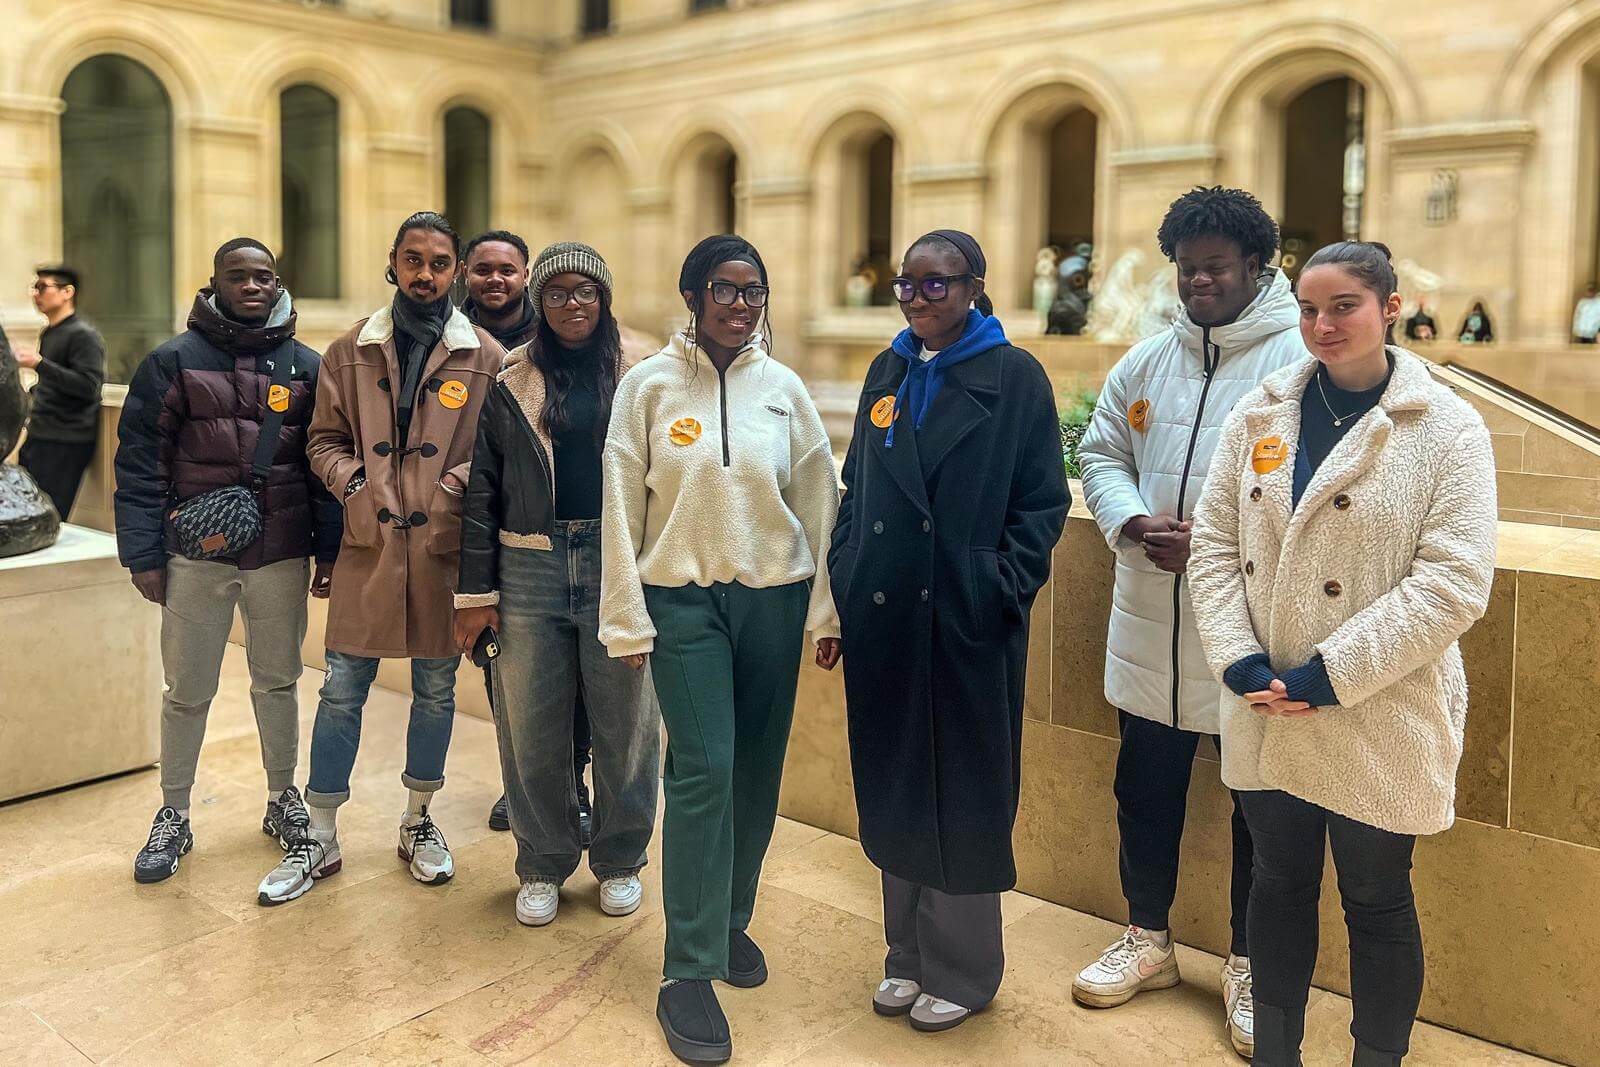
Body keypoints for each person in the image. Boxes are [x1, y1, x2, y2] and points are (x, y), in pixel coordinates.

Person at [1188, 241, 1498, 1066]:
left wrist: (1332, 674)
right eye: (1309, 308)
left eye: (1344, 306)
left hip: (1377, 707)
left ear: (1390, 307)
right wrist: (1240, 659)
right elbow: (1216, 546)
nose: (1323, 325)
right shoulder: (1260, 412)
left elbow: (1455, 580)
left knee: (1377, 899)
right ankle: (1277, 1053)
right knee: (1278, 885)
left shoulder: (1448, 428)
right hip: (1266, 705)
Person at [1074, 186, 1309, 1058]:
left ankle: (1248, 964)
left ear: (1258, 266)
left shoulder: (1297, 366)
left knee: (1257, 808)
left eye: (1217, 265)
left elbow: (1320, 495)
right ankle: (1149, 939)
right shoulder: (1146, 362)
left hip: (1247, 632)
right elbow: (1100, 451)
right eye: (1188, 267)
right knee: (1144, 790)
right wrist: (1132, 521)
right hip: (1146, 627)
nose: (1200, 281)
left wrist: (1210, 542)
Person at [599, 235, 841, 1066]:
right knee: (703, 767)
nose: (740, 304)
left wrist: (827, 610)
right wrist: (626, 620)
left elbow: (819, 497)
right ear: (694, 295)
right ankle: (688, 968)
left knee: (756, 769)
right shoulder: (649, 387)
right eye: (724, 289)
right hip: (682, 600)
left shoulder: (784, 390)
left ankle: (731, 919)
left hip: (773, 602)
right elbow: (621, 506)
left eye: (753, 291)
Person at [831, 230, 1069, 1032]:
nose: (920, 298)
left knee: (962, 793)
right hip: (888, 618)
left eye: (938, 285)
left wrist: (995, 586)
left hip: (965, 620)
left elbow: (1042, 503)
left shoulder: (1015, 376)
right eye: (909, 285)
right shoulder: (888, 368)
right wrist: (848, 568)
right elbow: (856, 482)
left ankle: (964, 970)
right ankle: (908, 955)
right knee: (898, 784)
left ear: (973, 286)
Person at [255, 212, 502, 904]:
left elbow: (491, 454)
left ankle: (419, 821)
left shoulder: (485, 355)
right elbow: (322, 441)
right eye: (414, 260)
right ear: (392, 263)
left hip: (440, 552)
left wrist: (451, 487)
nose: (427, 274)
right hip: (368, 546)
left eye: (440, 262)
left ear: (455, 272)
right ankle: (322, 832)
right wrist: (356, 486)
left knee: (436, 689)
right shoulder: (348, 352)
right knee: (340, 690)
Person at [112, 238, 339, 885]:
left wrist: (327, 550)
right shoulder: (173, 362)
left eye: (262, 276)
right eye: (237, 276)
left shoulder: (305, 366)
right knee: (186, 690)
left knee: (278, 679)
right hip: (196, 558)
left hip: (281, 553)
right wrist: (144, 555)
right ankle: (174, 812)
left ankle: (280, 799)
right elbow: (139, 467)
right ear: (213, 283)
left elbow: (320, 465)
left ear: (277, 283)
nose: (251, 286)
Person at [454, 241, 659, 928]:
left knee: (625, 721)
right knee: (530, 726)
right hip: (529, 563)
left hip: (616, 562)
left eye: (586, 291)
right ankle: (541, 861)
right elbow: (480, 490)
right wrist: (475, 594)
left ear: (604, 297)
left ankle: (620, 857)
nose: (574, 303)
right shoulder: (510, 378)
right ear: (539, 302)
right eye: (558, 292)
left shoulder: (642, 374)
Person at [459, 228, 595, 844]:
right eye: (483, 269)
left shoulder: (623, 372)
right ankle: (531, 795)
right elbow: (485, 476)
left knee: (590, 696)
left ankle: (574, 789)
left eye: (507, 269)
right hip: (509, 548)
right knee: (516, 690)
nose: (495, 280)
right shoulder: (462, 348)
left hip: (592, 553)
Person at [14, 266, 106, 519]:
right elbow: (54, 382)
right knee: (26, 510)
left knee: (49, 516)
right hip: (41, 433)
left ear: (67, 292)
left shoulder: (83, 335)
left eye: (43, 287)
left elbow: (88, 387)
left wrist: (38, 363)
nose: (36, 294)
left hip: (67, 438)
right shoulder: (51, 332)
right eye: (35, 287)